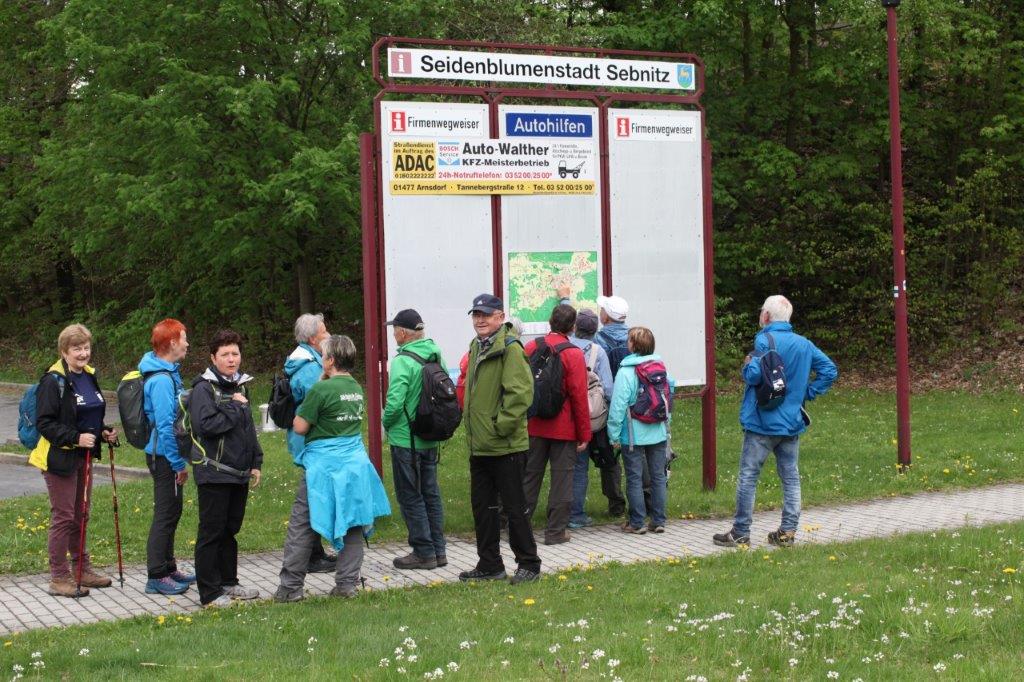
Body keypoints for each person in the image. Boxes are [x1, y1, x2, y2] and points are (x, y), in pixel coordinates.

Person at [714, 295, 838, 548]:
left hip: (762, 422)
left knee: (749, 476)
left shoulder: (764, 340)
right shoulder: (804, 344)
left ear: (766, 316)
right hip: (791, 422)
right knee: (790, 477)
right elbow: (829, 370)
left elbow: (754, 376)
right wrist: (807, 393)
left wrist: (746, 365)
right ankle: (787, 532)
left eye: (762, 312)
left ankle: (740, 531)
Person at [275, 335, 391, 601]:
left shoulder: (321, 390)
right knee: (352, 523)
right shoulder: (356, 387)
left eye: (324, 355)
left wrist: (311, 397)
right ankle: (346, 585)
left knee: (303, 524)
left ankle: (290, 588)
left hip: (324, 467)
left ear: (330, 361)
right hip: (354, 465)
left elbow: (300, 426)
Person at [29, 324, 119, 597]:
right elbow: (44, 423)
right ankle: (58, 577)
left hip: (84, 456)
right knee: (64, 516)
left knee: (81, 514)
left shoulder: (89, 375)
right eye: (76, 348)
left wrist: (102, 431)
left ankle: (82, 570)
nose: (83, 353)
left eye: (86, 347)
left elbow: (87, 415)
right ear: (64, 351)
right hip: (58, 458)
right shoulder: (53, 380)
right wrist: (75, 438)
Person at [460, 293, 541, 584]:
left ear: (499, 317)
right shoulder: (476, 345)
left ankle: (529, 563)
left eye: (485, 314)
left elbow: (519, 395)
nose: (480, 319)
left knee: (514, 508)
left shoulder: (510, 348)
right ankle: (489, 564)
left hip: (505, 444)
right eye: (476, 314)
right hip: (480, 445)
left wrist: (499, 427)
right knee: (483, 508)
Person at [188, 330, 264, 608]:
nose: (231, 360)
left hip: (238, 472)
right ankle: (208, 593)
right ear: (213, 358)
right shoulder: (203, 389)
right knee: (211, 531)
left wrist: (256, 462)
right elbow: (205, 426)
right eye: (225, 355)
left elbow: (248, 430)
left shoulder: (241, 386)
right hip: (213, 472)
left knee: (230, 529)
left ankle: (229, 582)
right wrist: (234, 408)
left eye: (235, 354)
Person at [382, 309, 448, 569]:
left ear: (401, 332)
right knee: (431, 494)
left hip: (405, 439)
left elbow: (395, 402)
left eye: (394, 329)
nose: (393, 334)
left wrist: (386, 422)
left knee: (410, 495)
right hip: (429, 436)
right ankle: (439, 551)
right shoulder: (434, 352)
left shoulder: (402, 361)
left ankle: (423, 552)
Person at [522, 304, 591, 545]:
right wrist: (584, 433)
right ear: (572, 327)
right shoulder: (573, 354)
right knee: (562, 480)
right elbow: (579, 397)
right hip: (564, 427)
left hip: (534, 423)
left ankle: (520, 528)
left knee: (529, 477)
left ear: (550, 322)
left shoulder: (531, 347)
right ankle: (555, 532)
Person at [140, 318, 195, 596]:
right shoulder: (161, 380)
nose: (187, 343)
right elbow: (165, 426)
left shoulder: (167, 371)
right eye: (184, 338)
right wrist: (177, 464)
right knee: (165, 514)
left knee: (173, 511)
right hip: (163, 456)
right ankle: (156, 575)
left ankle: (169, 567)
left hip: (164, 454)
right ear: (172, 343)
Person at [282, 313, 337, 574]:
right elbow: (315, 405)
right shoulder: (308, 368)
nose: (328, 335)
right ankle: (312, 556)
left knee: (313, 496)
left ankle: (316, 553)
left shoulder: (306, 360)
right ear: (314, 338)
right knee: (311, 498)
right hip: (310, 439)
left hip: (306, 439)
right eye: (325, 331)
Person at [607, 327, 673, 534]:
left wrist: (613, 434)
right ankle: (658, 520)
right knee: (658, 476)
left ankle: (637, 522)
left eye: (629, 341)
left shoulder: (626, 372)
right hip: (658, 431)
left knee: (634, 477)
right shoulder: (660, 367)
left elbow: (618, 405)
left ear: (633, 346)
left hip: (633, 434)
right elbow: (667, 398)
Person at [566, 308, 622, 527]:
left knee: (571, 466)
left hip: (567, 415)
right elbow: (608, 388)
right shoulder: (598, 351)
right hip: (592, 417)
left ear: (574, 327)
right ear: (595, 329)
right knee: (585, 467)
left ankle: (569, 513)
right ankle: (577, 515)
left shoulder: (565, 347)